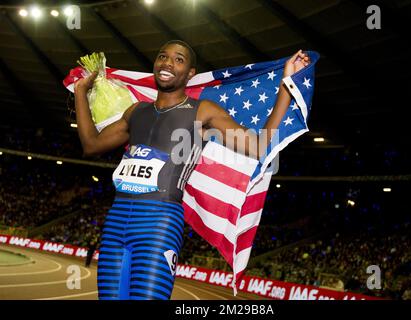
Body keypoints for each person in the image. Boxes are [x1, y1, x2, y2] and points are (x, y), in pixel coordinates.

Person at [74, 40, 309, 300]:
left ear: (190, 74)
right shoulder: (136, 111)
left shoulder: (202, 112)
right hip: (116, 222)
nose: (167, 63)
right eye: (163, 56)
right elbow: (91, 145)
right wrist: (81, 92)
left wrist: (286, 84)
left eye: (178, 59)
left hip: (158, 223)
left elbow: (259, 146)